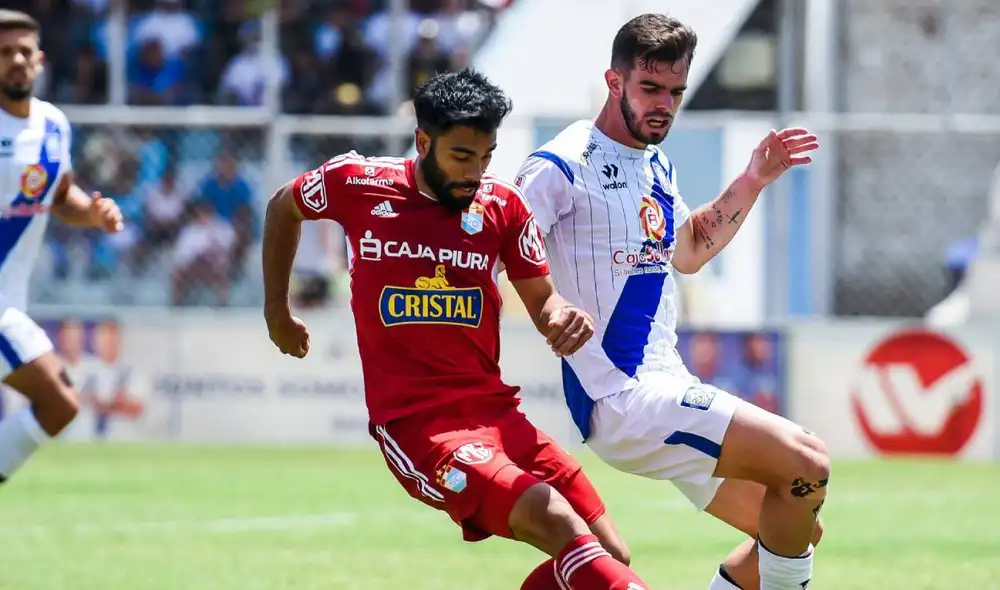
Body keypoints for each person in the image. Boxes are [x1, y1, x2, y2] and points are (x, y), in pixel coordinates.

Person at [262, 68, 650, 590]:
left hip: (498, 414)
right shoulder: (356, 182)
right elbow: (282, 208)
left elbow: (542, 299)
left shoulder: (503, 206)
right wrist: (276, 312)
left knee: (608, 555)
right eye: (461, 157)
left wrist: (560, 317)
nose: (475, 172)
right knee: (560, 525)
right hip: (422, 428)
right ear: (423, 140)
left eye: (486, 157)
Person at [515, 14, 826, 590]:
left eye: (676, 92)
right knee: (806, 461)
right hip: (621, 395)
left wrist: (753, 179)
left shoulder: (656, 162)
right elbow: (499, 241)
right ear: (615, 82)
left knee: (794, 522)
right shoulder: (560, 163)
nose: (664, 104)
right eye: (650, 88)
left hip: (662, 383)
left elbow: (688, 249)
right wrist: (550, 305)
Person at [0, 10, 124, 482]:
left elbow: (57, 195)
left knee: (59, 402)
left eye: (23, 52)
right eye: (4, 53)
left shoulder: (53, 125)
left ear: (40, 60)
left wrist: (91, 212)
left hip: (12, 302)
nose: (15, 60)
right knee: (59, 400)